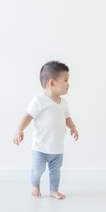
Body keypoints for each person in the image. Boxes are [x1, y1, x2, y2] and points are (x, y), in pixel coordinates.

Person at [13, 61, 79, 199]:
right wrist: (19, 129)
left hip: (57, 148)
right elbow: (28, 116)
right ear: (52, 83)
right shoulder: (39, 101)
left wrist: (72, 127)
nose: (69, 84)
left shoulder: (64, 103)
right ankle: (35, 184)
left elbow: (67, 118)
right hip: (40, 148)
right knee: (38, 170)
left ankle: (54, 190)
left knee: (55, 171)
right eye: (66, 80)